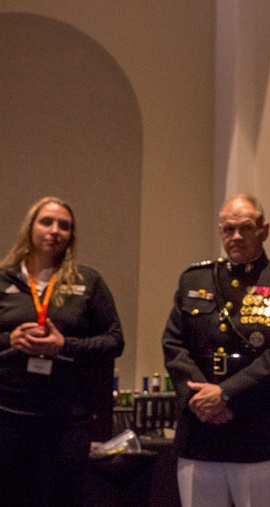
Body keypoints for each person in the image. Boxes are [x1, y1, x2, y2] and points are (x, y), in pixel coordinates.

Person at [163, 193, 270, 507]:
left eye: (245, 228)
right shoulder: (195, 280)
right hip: (200, 435)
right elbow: (174, 346)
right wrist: (199, 399)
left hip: (260, 436)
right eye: (228, 229)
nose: (236, 237)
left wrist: (226, 394)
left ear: (264, 230)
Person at [0, 196, 125, 506]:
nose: (55, 231)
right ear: (30, 228)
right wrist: (10, 339)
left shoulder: (88, 281)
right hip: (8, 415)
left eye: (64, 226)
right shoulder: (3, 279)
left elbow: (114, 341)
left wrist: (64, 345)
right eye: (46, 222)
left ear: (72, 236)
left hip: (66, 419)